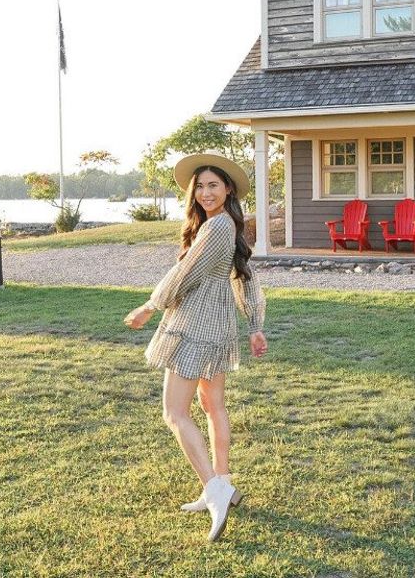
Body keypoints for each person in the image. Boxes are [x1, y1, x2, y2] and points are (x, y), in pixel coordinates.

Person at [122, 153, 267, 542]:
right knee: (211, 405)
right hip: (218, 324)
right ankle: (221, 480)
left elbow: (185, 273)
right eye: (200, 186)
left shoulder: (217, 228)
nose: (205, 192)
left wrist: (150, 306)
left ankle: (215, 490)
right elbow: (245, 278)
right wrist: (254, 326)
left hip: (197, 324)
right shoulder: (229, 225)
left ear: (228, 189)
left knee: (174, 412)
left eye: (213, 186)